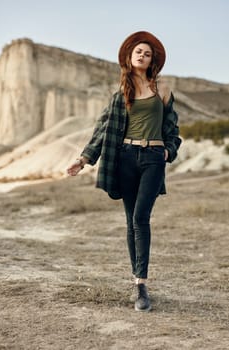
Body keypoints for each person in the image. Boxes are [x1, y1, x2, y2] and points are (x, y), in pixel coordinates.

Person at [67, 31, 181, 312]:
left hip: (153, 157)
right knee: (131, 220)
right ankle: (138, 283)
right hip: (126, 158)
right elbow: (102, 130)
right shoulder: (120, 95)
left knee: (141, 218)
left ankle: (142, 284)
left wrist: (168, 150)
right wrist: (83, 160)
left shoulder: (162, 89)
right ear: (130, 58)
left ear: (153, 60)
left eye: (148, 53)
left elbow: (173, 129)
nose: (143, 56)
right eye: (138, 52)